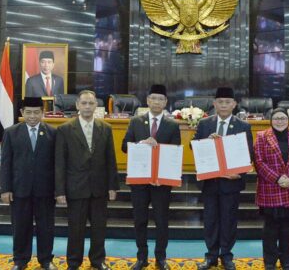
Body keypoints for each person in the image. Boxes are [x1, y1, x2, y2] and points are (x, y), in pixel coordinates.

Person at [55, 90, 119, 270]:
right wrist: (59, 191)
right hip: (76, 188)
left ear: (96, 106)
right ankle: (73, 262)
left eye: (91, 103)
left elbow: (111, 160)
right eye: (84, 103)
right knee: (76, 229)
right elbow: (60, 163)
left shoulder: (105, 128)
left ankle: (98, 260)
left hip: (99, 188)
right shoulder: (65, 129)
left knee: (99, 228)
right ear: (77, 105)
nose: (87, 107)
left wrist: (112, 186)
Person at [193, 87, 253, 270]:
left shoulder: (243, 126)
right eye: (220, 102)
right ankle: (211, 256)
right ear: (214, 104)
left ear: (234, 104)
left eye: (228, 102)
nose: (224, 105)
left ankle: (226, 255)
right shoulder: (204, 124)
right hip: (210, 182)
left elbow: (248, 152)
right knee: (210, 220)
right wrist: (206, 143)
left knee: (228, 220)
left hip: (231, 182)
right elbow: (193, 147)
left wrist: (240, 174)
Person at [122, 84, 181, 270]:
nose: (156, 102)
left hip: (161, 182)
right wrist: (141, 143)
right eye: (153, 98)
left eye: (160, 99)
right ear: (147, 101)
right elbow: (125, 146)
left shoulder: (172, 125)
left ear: (165, 102)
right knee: (140, 219)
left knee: (161, 220)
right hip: (139, 181)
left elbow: (175, 153)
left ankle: (160, 258)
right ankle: (142, 257)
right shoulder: (136, 122)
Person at [0, 97, 57, 270]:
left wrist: (58, 189)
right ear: (22, 113)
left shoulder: (53, 133)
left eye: (36, 112)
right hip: (19, 189)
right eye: (29, 112)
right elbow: (5, 163)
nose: (32, 116)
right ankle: (20, 260)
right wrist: (5, 189)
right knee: (20, 227)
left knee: (46, 227)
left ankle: (46, 259)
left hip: (46, 190)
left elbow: (57, 164)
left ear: (43, 113)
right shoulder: (11, 132)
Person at [253, 108, 289, 270]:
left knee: (287, 227)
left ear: (288, 120)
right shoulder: (262, 137)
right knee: (270, 227)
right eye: (276, 118)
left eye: (283, 118)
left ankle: (287, 261)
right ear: (271, 120)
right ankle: (269, 261)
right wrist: (277, 178)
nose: (280, 121)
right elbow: (259, 161)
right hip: (270, 187)